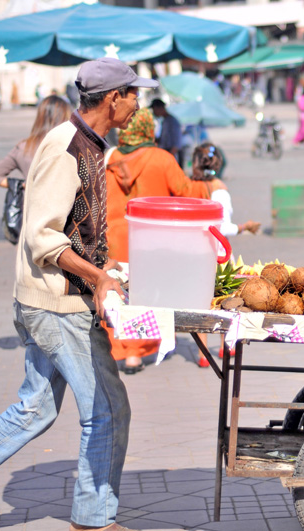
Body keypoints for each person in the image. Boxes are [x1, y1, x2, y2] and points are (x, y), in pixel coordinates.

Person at [0, 57, 158, 531]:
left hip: (52, 301)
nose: (138, 104)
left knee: (33, 412)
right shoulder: (66, 147)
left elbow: (74, 229)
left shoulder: (90, 144)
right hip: (56, 307)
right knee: (107, 409)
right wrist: (98, 277)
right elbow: (43, 237)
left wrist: (108, 268)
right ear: (112, 99)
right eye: (133, 94)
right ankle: (94, 520)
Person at [105, 108, 213, 375]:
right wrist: (210, 185)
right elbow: (186, 192)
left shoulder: (109, 158)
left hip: (114, 238)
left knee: (121, 296)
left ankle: (124, 351)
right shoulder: (162, 159)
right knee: (146, 294)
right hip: (150, 239)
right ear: (148, 128)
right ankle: (137, 352)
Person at [189, 142, 260, 366]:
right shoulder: (220, 189)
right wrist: (244, 226)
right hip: (219, 253)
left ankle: (202, 355)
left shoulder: (188, 187)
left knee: (200, 303)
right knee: (224, 300)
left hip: (193, 251)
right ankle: (225, 347)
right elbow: (223, 227)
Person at [0, 95, 72, 190]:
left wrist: (23, 185)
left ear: (40, 118)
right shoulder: (72, 145)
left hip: (31, 203)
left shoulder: (24, 147)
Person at [150, 98, 183, 166]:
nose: (153, 112)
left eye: (154, 109)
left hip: (169, 157)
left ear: (160, 108)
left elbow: (176, 144)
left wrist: (168, 158)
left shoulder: (172, 121)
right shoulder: (165, 121)